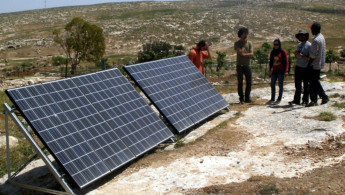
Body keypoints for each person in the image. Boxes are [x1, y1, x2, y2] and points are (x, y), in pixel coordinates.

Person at [307, 22, 329, 107]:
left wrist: (309, 63)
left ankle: (314, 100)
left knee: (313, 83)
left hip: (315, 63)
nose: (311, 30)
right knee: (315, 81)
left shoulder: (316, 40)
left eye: (311, 29)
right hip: (320, 63)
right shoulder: (321, 37)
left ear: (314, 29)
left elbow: (313, 54)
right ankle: (324, 96)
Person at [289, 30, 311, 105]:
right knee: (297, 85)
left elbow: (310, 58)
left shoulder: (309, 45)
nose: (301, 37)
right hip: (298, 66)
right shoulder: (299, 45)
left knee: (305, 84)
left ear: (305, 36)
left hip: (305, 67)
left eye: (303, 35)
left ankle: (305, 100)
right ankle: (296, 100)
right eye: (300, 36)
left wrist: (302, 56)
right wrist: (297, 54)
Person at [234, 27, 254, 104]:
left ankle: (247, 97)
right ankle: (241, 98)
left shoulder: (250, 43)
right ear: (241, 34)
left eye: (246, 33)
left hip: (247, 65)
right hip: (240, 65)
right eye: (244, 33)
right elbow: (240, 52)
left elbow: (251, 53)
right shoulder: (237, 43)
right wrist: (244, 45)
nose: (246, 35)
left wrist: (244, 54)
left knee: (249, 82)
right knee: (240, 82)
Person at [268, 39, 289, 105]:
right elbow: (271, 62)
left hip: (281, 70)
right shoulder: (273, 52)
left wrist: (286, 71)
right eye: (274, 44)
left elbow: (286, 62)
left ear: (279, 45)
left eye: (277, 44)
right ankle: (272, 98)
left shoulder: (283, 52)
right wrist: (270, 70)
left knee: (280, 84)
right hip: (274, 70)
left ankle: (279, 98)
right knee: (272, 84)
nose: (275, 46)